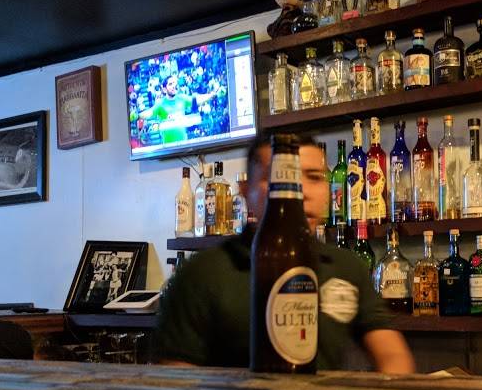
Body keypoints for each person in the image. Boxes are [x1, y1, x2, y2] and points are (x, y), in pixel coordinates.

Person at [155, 133, 415, 374]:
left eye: (313, 177)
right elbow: (176, 377)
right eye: (280, 176)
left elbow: (393, 354)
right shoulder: (202, 273)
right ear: (246, 191)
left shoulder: (346, 266)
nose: (299, 191)